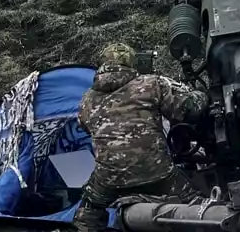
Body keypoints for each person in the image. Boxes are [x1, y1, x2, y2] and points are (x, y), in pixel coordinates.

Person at [73, 42, 207, 231]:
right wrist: (203, 95)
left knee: (89, 211)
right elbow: (188, 109)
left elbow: (86, 128)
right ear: (132, 62)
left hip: (109, 178)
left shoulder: (87, 99)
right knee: (196, 204)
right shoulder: (152, 83)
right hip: (157, 172)